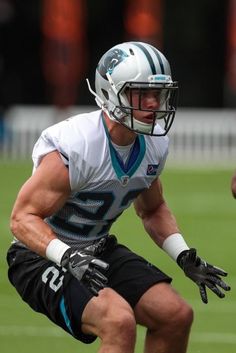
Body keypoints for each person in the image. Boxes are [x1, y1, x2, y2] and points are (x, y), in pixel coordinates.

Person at [7, 41, 230, 353]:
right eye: (143, 94)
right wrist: (68, 256)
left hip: (95, 248)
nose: (154, 103)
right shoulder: (77, 145)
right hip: (39, 256)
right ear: (112, 93)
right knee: (118, 321)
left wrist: (182, 254)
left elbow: (152, 210)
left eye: (159, 94)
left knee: (175, 315)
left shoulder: (152, 146)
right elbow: (21, 219)